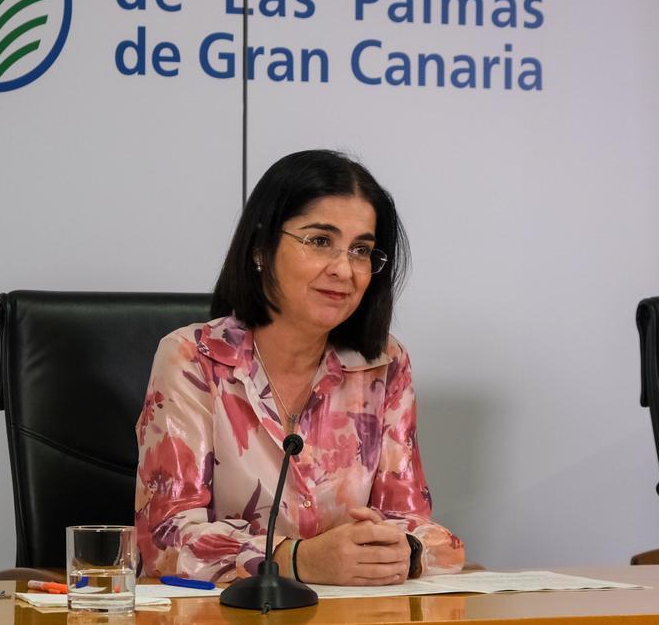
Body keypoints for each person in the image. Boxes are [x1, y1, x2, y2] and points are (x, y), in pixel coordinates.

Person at [135, 150, 464, 585]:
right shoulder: (193, 357)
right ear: (261, 247)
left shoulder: (383, 364)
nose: (344, 269)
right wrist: (295, 560)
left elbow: (418, 526)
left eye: (361, 250)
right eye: (320, 241)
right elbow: (164, 541)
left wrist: (408, 552)